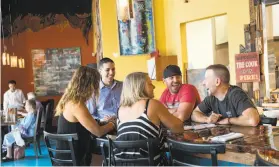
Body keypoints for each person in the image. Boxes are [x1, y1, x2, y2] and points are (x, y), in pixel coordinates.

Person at [116, 72, 183, 166]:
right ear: (140, 86)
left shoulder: (120, 110)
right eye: (150, 83)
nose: (154, 87)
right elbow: (178, 127)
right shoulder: (151, 104)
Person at [55, 66, 115, 166]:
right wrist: (112, 124)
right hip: (74, 160)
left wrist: (103, 122)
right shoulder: (76, 104)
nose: (96, 88)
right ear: (89, 85)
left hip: (68, 157)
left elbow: (84, 124)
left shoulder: (70, 100)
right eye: (96, 84)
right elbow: (98, 132)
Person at [191, 64, 260, 126]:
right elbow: (194, 114)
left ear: (217, 81)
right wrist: (207, 119)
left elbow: (253, 120)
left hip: (248, 138)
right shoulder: (211, 98)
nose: (203, 83)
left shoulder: (236, 94)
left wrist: (228, 120)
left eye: (206, 79)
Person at [86, 58, 122, 122]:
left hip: (123, 123)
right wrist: (102, 120)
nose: (111, 73)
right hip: (104, 126)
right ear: (100, 71)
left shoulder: (123, 86)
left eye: (113, 69)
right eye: (107, 70)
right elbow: (90, 114)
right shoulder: (93, 90)